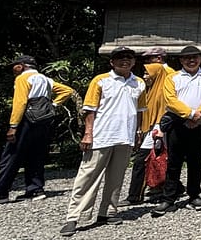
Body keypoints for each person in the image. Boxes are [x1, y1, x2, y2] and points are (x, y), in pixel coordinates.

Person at [60, 47, 145, 236]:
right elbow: (90, 109)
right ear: (112, 62)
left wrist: (139, 131)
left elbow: (140, 110)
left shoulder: (138, 83)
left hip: (125, 136)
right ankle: (75, 216)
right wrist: (88, 133)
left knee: (116, 177)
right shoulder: (101, 80)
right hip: (101, 135)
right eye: (120, 58)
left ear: (134, 61)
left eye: (129, 58)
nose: (125, 61)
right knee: (88, 176)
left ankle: (107, 211)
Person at [0, 55, 75, 206]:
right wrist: (53, 105)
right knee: (36, 154)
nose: (13, 69)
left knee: (11, 156)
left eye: (14, 66)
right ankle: (35, 189)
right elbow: (67, 91)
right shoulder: (45, 79)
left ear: (21, 66)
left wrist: (13, 126)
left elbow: (20, 102)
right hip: (43, 120)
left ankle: (0, 192)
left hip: (27, 119)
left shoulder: (23, 78)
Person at [152, 46, 201, 215]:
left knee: (195, 163)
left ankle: (194, 196)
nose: (191, 60)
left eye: (195, 57)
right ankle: (168, 199)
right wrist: (190, 114)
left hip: (199, 124)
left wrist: (199, 115)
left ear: (200, 59)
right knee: (173, 163)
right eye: (187, 58)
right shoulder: (172, 77)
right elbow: (170, 100)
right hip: (177, 124)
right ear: (181, 60)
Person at [121, 47, 172, 207]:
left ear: (158, 59)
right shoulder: (154, 83)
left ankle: (135, 195)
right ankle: (170, 187)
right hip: (155, 123)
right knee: (160, 157)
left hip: (161, 123)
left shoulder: (168, 75)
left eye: (149, 59)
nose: (144, 75)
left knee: (143, 159)